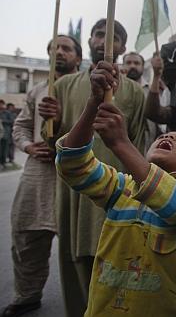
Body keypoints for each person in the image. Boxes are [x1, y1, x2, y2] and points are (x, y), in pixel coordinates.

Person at [55, 60, 176, 316]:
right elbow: (72, 164)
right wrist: (93, 105)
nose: (168, 137)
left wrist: (121, 143)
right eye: (163, 137)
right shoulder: (122, 187)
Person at [38, 19, 146, 317]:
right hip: (72, 190)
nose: (104, 42)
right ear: (89, 41)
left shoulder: (135, 92)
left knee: (116, 257)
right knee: (74, 257)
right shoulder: (62, 86)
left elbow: (135, 141)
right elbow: (52, 140)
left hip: (114, 189)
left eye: (113, 38)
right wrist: (48, 121)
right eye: (99, 35)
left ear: (122, 47)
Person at [1, 35, 81, 317]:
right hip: (37, 175)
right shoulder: (37, 91)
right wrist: (28, 146)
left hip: (73, 176)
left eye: (66, 48)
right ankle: (28, 294)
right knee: (26, 236)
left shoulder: (85, 89)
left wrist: (60, 121)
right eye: (53, 48)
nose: (59, 52)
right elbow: (21, 127)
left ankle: (85, 300)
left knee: (77, 246)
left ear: (78, 58)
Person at [122, 51, 167, 151]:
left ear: (143, 66)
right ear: (123, 66)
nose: (132, 66)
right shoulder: (116, 90)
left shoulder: (152, 91)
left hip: (146, 144)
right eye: (128, 63)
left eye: (137, 63)